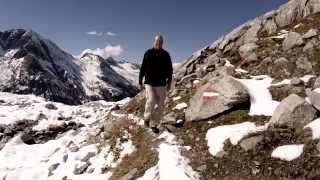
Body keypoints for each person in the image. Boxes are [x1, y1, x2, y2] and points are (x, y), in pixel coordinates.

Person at [139, 35, 173, 133]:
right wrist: (140, 81)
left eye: (161, 41)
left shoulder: (166, 54)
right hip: (149, 82)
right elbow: (143, 67)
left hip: (161, 83)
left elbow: (170, 69)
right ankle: (147, 118)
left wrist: (169, 82)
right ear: (153, 41)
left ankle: (154, 124)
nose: (159, 42)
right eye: (157, 41)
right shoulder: (148, 53)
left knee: (161, 105)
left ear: (163, 43)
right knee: (151, 100)